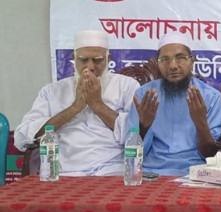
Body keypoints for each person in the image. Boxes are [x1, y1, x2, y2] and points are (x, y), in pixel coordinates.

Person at [14, 30, 139, 176]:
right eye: (83, 60)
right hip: (65, 172)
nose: (90, 67)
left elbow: (136, 133)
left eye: (98, 60)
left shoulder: (126, 86)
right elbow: (23, 136)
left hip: (113, 171)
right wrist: (75, 107)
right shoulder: (52, 91)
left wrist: (97, 104)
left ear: (108, 58)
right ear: (74, 59)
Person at [125, 32, 221, 176]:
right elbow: (132, 153)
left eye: (180, 58)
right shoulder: (144, 95)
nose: (172, 66)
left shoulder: (212, 98)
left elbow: (211, 155)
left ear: (192, 61)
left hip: (196, 174)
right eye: (165, 59)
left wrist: (201, 123)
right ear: (158, 63)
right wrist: (144, 126)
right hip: (151, 173)